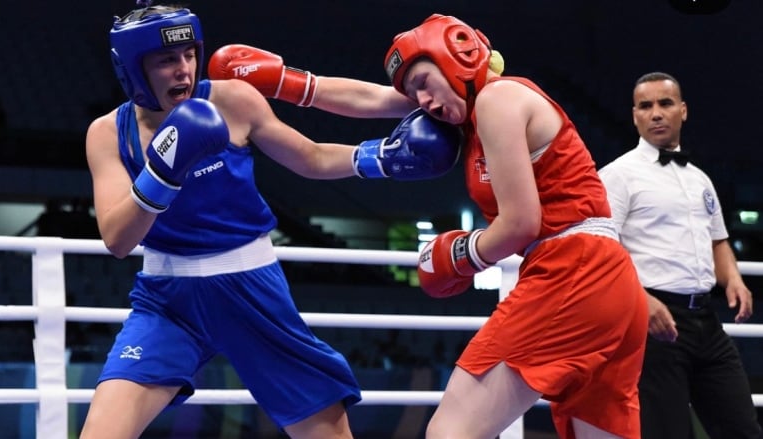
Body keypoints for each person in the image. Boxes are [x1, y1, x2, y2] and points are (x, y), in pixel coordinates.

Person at [210, 13, 650, 439]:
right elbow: (370, 99)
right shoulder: (472, 107)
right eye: (412, 91)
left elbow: (520, 223)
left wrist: (458, 254)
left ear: (459, 59)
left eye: (423, 83)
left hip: (573, 272)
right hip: (608, 282)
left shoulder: (498, 100)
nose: (420, 102)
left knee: (451, 431)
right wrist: (283, 81)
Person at [82, 5, 463, 439]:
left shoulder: (231, 100)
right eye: (167, 60)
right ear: (134, 69)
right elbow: (116, 239)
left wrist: (381, 158)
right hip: (168, 301)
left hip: (251, 287)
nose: (183, 69)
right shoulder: (108, 133)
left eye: (189, 54)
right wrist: (163, 171)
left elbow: (311, 157)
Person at [598, 71, 761, 439]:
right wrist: (641, 300)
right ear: (635, 115)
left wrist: (733, 278)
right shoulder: (617, 176)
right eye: (646, 106)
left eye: (665, 103)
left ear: (682, 111)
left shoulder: (700, 178)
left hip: (706, 321)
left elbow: (718, 240)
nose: (656, 113)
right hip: (651, 322)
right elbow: (601, 249)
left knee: (742, 429)